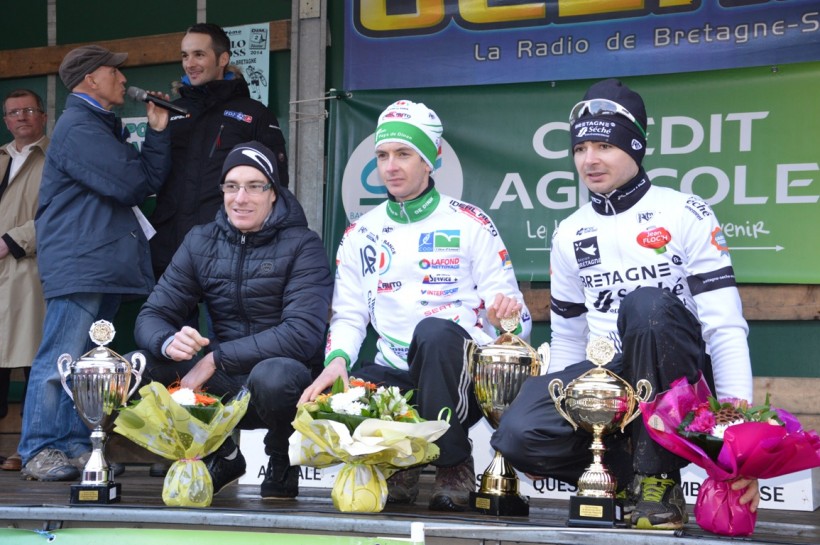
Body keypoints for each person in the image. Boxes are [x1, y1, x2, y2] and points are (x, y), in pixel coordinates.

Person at [491, 79, 760, 530]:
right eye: (580, 148)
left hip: (682, 377)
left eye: (604, 145)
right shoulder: (569, 232)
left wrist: (740, 437)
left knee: (647, 305)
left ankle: (660, 481)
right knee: (516, 435)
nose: (589, 160)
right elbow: (570, 339)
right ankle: (621, 475)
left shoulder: (685, 212)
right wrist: (549, 426)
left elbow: (725, 328)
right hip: (607, 384)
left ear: (635, 148)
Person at [299, 99, 532, 512]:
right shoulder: (359, 234)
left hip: (461, 374)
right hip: (397, 371)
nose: (390, 166)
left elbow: (518, 320)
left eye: (404, 154)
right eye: (383, 155)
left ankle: (453, 463)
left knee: (434, 332)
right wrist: (336, 361)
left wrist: (505, 320)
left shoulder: (469, 222)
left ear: (431, 160)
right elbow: (351, 315)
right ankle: (401, 458)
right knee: (355, 385)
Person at [132, 141, 332, 499]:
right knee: (143, 366)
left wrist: (215, 358)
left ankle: (282, 456)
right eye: (232, 186)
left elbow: (302, 335)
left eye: (255, 186)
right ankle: (223, 454)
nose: (241, 198)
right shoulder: (200, 241)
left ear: (274, 192)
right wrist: (168, 341)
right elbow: (153, 314)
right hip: (224, 383)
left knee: (276, 374)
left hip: (281, 384)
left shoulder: (304, 244)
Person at [19, 45, 171, 481]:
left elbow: (145, 182)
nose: (123, 79)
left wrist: (157, 131)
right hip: (81, 260)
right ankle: (40, 448)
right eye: (114, 72)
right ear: (90, 79)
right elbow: (131, 185)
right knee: (61, 359)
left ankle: (69, 444)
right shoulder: (79, 126)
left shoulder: (99, 124)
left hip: (97, 261)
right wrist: (152, 142)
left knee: (86, 363)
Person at [149, 22, 289, 282]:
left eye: (199, 54)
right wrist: (155, 131)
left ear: (222, 58)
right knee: (169, 324)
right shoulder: (170, 112)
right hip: (171, 247)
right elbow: (151, 174)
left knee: (225, 325)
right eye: (185, 55)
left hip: (228, 247)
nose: (190, 63)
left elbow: (276, 187)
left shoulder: (254, 113)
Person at [0, 89, 49, 472]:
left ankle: (29, 446)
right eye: (14, 112)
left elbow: (60, 213)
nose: (21, 117)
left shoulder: (53, 158)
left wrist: (13, 240)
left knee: (35, 362)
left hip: (32, 271)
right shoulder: (1, 155)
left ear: (43, 116)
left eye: (29, 110)